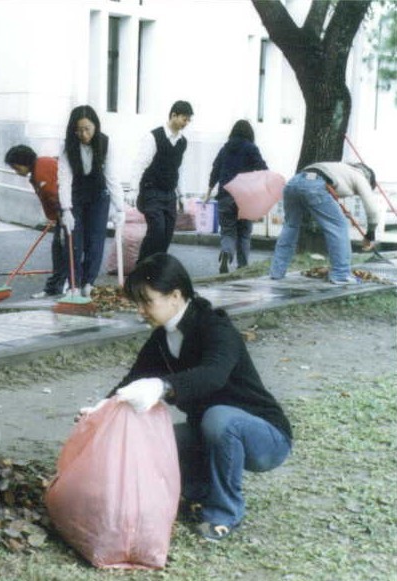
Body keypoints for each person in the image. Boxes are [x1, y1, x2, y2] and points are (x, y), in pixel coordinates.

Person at [80, 253, 292, 542]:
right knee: (159, 438)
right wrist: (101, 409)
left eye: (147, 301)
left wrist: (163, 386)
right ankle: (199, 495)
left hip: (266, 438)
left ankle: (224, 514)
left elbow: (213, 375)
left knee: (219, 418)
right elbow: (133, 380)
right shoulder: (161, 338)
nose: (140, 311)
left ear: (175, 296)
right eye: (137, 303)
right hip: (210, 431)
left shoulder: (216, 327)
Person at [269, 162, 379, 285]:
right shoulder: (360, 177)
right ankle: (341, 275)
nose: (357, 194)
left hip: (293, 183)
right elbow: (372, 209)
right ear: (368, 178)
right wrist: (370, 234)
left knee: (290, 226)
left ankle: (276, 272)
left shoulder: (342, 168)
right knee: (339, 226)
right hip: (315, 185)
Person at [57, 105, 125, 297]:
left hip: (98, 197)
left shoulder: (106, 143)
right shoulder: (66, 146)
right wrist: (66, 209)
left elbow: (112, 177)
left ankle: (89, 282)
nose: (84, 134)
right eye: (79, 130)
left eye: (88, 129)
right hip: (76, 197)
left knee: (95, 241)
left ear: (96, 126)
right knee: (74, 241)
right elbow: (65, 179)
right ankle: (73, 284)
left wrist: (119, 208)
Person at [129, 100, 194, 264]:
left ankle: (156, 269)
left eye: (188, 120)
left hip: (169, 194)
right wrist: (133, 190)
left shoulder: (182, 142)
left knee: (167, 233)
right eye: (184, 119)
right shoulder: (154, 137)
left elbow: (179, 170)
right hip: (151, 191)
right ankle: (142, 267)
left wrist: (182, 197)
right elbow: (140, 164)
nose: (186, 123)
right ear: (173, 115)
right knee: (157, 229)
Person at [4, 144, 68, 298]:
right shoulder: (39, 168)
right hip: (62, 216)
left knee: (65, 252)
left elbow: (56, 195)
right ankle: (54, 288)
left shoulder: (42, 172)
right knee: (58, 251)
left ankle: (65, 287)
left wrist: (61, 216)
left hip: (68, 214)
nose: (16, 171)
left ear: (23, 162)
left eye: (16, 167)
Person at [205, 120, 268, 273]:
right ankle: (243, 266)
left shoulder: (225, 149)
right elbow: (263, 169)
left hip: (225, 196)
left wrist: (209, 191)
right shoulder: (251, 148)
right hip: (245, 197)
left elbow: (215, 170)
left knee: (228, 231)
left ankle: (226, 252)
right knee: (244, 234)